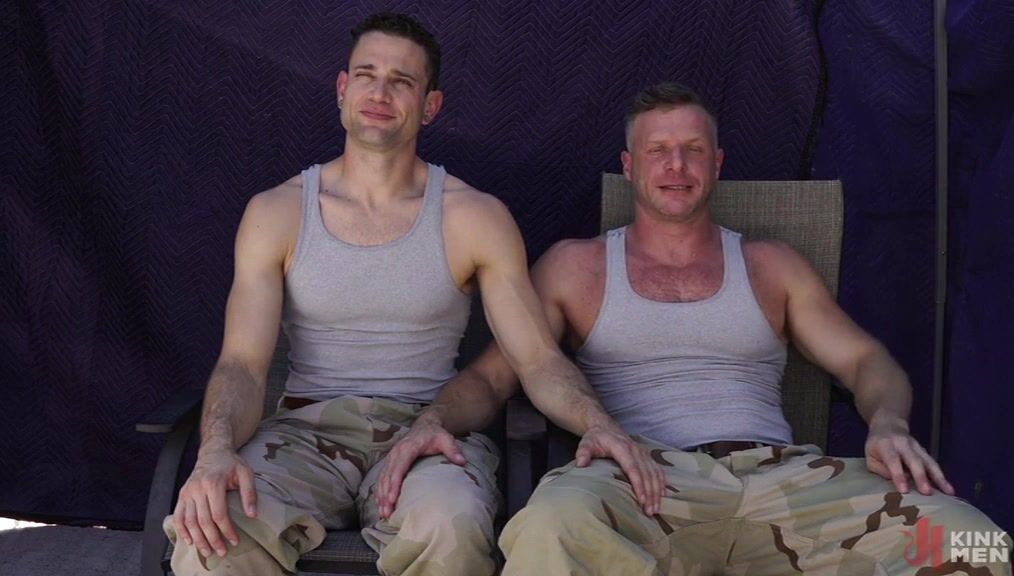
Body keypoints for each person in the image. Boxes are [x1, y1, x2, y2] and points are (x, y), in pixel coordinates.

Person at [385, 81, 1010, 575]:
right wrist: (432, 420)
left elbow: (867, 363)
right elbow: (493, 379)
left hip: (783, 481)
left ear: (717, 162)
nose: (676, 165)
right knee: (551, 523)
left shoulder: (772, 265)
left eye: (693, 149)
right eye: (658, 150)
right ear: (630, 165)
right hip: (642, 481)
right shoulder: (575, 268)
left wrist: (888, 423)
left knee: (973, 543)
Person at [161, 12, 662, 576]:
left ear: (430, 106)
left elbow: (537, 359)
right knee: (212, 533)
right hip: (302, 436)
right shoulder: (276, 212)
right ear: (342, 89)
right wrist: (215, 451)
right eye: (366, 75)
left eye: (401, 81)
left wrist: (597, 423)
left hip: (429, 434)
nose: (380, 93)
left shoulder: (473, 217)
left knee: (451, 525)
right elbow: (243, 366)